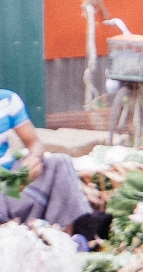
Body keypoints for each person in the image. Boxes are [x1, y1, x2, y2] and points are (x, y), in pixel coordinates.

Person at [0, 88, 92, 232]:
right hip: (4, 190)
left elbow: (34, 143)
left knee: (59, 162)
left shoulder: (8, 100)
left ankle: (62, 235)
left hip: (11, 181)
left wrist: (33, 160)